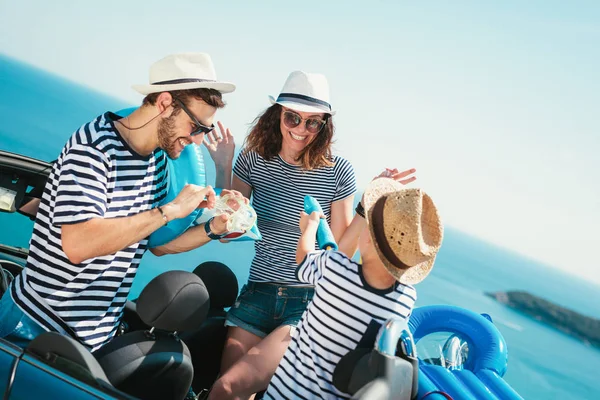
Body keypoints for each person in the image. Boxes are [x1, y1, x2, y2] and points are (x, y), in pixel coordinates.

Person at [0, 52, 247, 352]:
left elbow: (155, 244)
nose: (198, 141)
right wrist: (168, 211)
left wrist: (214, 228)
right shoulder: (93, 149)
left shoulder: (158, 161)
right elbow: (78, 244)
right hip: (33, 329)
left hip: (93, 342)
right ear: (165, 103)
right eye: (196, 127)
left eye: (205, 131)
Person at [205, 71, 360, 399]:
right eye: (293, 117)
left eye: (312, 122)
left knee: (228, 387)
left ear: (323, 126)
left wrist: (368, 207)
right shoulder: (252, 160)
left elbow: (343, 254)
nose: (301, 130)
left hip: (308, 303)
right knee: (228, 391)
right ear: (277, 115)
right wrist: (224, 167)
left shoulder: (339, 172)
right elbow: (228, 232)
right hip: (257, 293)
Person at [264, 178, 444, 399]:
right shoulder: (406, 297)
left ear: (368, 239)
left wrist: (309, 228)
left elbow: (303, 258)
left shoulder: (333, 267)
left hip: (283, 393)